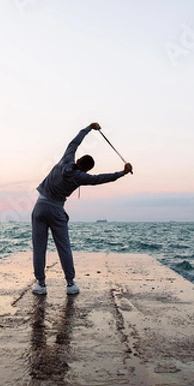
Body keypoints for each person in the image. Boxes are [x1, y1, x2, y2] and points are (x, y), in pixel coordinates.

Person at [31, 122, 133, 295]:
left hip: (40, 206)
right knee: (63, 246)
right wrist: (122, 173)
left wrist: (89, 128)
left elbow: (74, 143)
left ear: (78, 160)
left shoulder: (67, 159)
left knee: (39, 247)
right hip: (56, 210)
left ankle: (40, 284)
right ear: (86, 169)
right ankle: (70, 284)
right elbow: (101, 178)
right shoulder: (81, 177)